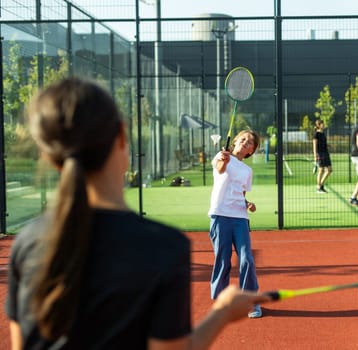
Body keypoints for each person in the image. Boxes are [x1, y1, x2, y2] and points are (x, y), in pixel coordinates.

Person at [5, 77, 269, 350]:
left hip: (236, 216)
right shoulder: (164, 248)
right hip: (220, 217)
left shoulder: (28, 244)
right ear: (121, 137)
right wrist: (223, 312)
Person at [208, 130, 263, 319]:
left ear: (251, 151)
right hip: (219, 215)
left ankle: (251, 301)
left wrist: (247, 204)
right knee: (222, 260)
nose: (245, 143)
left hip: (240, 218)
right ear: (236, 140)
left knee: (246, 258)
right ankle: (221, 301)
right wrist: (224, 158)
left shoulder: (247, 171)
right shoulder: (221, 156)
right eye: (244, 139)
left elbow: (241, 193)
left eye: (250, 144)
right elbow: (220, 168)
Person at [312, 119, 332, 193]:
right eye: (322, 124)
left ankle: (321, 185)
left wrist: (329, 145)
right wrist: (315, 156)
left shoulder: (323, 133)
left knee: (329, 170)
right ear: (318, 125)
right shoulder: (316, 134)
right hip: (320, 154)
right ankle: (318, 187)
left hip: (326, 153)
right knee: (321, 170)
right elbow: (314, 146)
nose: (324, 125)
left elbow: (324, 143)